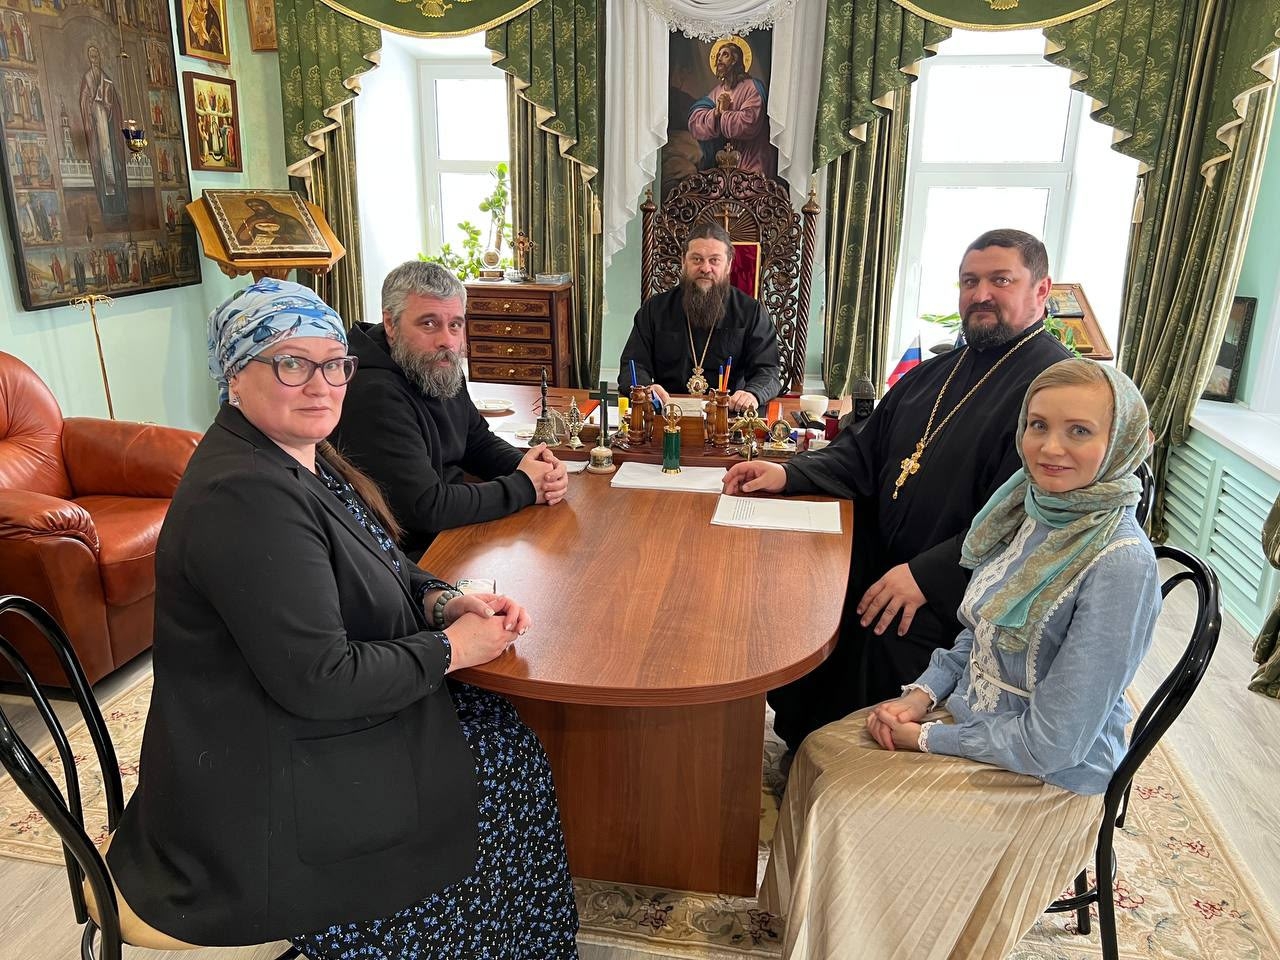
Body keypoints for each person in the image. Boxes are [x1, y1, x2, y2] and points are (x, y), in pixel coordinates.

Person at [104, 278, 579, 956]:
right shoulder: (244, 496)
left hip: (291, 732)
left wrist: (443, 600)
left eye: (334, 365)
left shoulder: (299, 455)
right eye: (291, 364)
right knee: (502, 767)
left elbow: (382, 557)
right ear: (235, 375)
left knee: (501, 733)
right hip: (260, 788)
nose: (321, 385)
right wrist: (451, 649)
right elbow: (321, 679)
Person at [760, 359, 1161, 960]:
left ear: (1123, 441)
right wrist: (919, 696)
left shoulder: (1120, 563)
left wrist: (927, 739)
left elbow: (1054, 744)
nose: (1050, 447)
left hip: (1045, 778)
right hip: (982, 718)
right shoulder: (1031, 510)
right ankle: (817, 930)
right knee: (818, 751)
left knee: (845, 804)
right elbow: (979, 633)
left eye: (1079, 431)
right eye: (1037, 425)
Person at [723, 229, 1073, 750]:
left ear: (1041, 290)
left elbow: (1034, 516)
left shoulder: (1055, 389)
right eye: (969, 281)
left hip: (959, 591)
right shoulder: (935, 373)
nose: (980, 295)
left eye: (1001, 281)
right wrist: (789, 474)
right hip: (890, 558)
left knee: (884, 632)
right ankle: (804, 748)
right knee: (803, 592)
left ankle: (847, 767)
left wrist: (929, 575)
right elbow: (865, 450)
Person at [332, 261, 567, 560]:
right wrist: (524, 486)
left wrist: (533, 468)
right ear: (391, 324)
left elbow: (476, 441)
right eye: (428, 324)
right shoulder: (372, 392)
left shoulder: (436, 366)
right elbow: (425, 507)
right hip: (407, 560)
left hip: (452, 533)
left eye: (455, 324)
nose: (447, 340)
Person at [619, 221, 781, 413]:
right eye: (697, 259)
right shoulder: (655, 309)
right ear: (683, 261)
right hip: (667, 414)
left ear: (728, 265)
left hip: (728, 415)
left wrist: (752, 394)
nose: (705, 268)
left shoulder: (751, 311)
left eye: (714, 260)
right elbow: (633, 365)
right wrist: (646, 390)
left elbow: (768, 371)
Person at [688, 35, 775, 178]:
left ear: (735, 60)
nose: (719, 59)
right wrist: (715, 113)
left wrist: (725, 113)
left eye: (725, 55)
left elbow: (750, 122)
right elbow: (695, 121)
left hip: (752, 158)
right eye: (718, 55)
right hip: (726, 163)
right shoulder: (718, 91)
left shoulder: (751, 86)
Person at [77, 42, 129, 220]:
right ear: (89, 58)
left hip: (109, 129)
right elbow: (84, 101)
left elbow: (114, 102)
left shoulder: (106, 78)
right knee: (102, 164)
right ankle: (107, 207)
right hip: (98, 132)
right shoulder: (87, 78)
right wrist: (94, 107)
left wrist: (108, 106)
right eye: (91, 54)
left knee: (113, 163)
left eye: (96, 54)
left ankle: (119, 204)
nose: (94, 57)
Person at [233, 196, 313, 247]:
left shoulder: (287, 220)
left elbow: (304, 239)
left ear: (266, 205)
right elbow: (241, 240)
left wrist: (280, 237)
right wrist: (253, 224)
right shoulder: (253, 219)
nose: (255, 208)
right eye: (252, 207)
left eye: (258, 205)